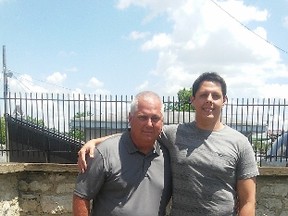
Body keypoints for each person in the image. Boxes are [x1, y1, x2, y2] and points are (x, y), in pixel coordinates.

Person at [78, 72, 259, 216]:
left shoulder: (240, 143)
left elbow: (248, 201)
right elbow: (142, 130)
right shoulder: (175, 133)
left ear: (224, 100)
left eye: (216, 95)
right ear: (192, 100)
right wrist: (95, 141)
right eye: (203, 95)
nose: (209, 100)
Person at [73, 91, 172, 216]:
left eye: (155, 118)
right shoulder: (104, 153)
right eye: (142, 117)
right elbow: (81, 197)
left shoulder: (169, 156)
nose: (149, 124)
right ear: (130, 118)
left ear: (162, 121)